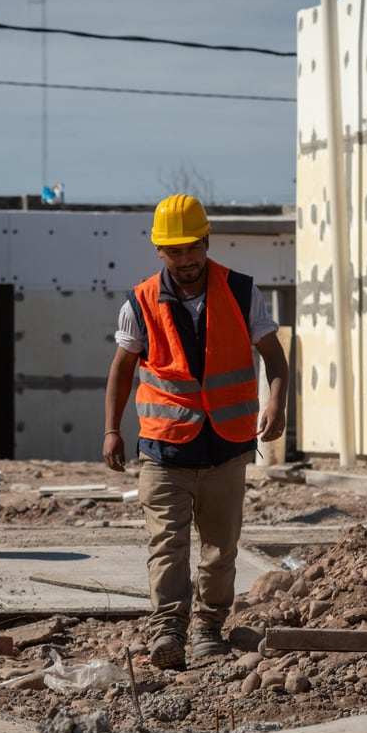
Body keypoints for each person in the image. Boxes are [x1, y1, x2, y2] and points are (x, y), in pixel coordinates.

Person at [102, 193, 289, 670]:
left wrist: (277, 403)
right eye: (174, 251)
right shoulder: (139, 301)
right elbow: (122, 370)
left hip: (226, 445)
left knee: (220, 549)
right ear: (159, 251)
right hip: (164, 447)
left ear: (206, 243)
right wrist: (112, 430)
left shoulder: (242, 291)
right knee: (166, 545)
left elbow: (274, 355)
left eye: (192, 248)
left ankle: (208, 629)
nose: (185, 260)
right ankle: (168, 630)